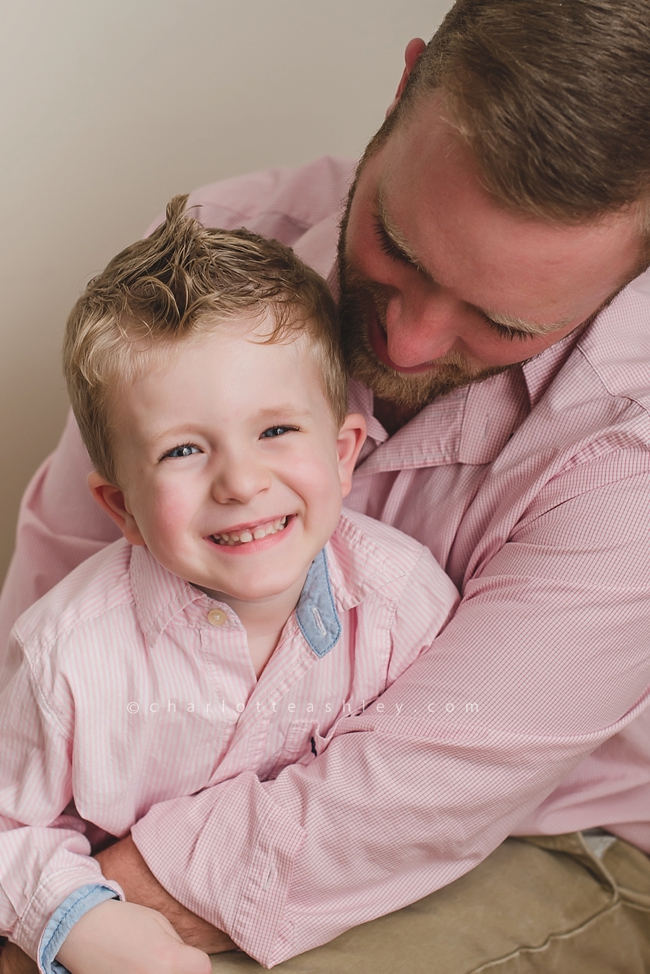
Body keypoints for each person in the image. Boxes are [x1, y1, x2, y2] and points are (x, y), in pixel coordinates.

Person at [1, 0, 650, 971]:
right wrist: (46, 886)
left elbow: (414, 790)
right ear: (401, 89)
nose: (408, 340)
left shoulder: (628, 449)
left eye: (500, 323)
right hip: (143, 806)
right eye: (396, 245)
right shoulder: (207, 260)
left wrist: (61, 919)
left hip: (540, 833)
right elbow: (46, 639)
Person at [0, 196, 458, 974]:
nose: (241, 482)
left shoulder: (401, 600)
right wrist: (79, 921)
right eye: (183, 451)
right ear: (124, 509)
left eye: (276, 430)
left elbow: (422, 776)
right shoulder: (67, 654)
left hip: (326, 905)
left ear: (344, 453)